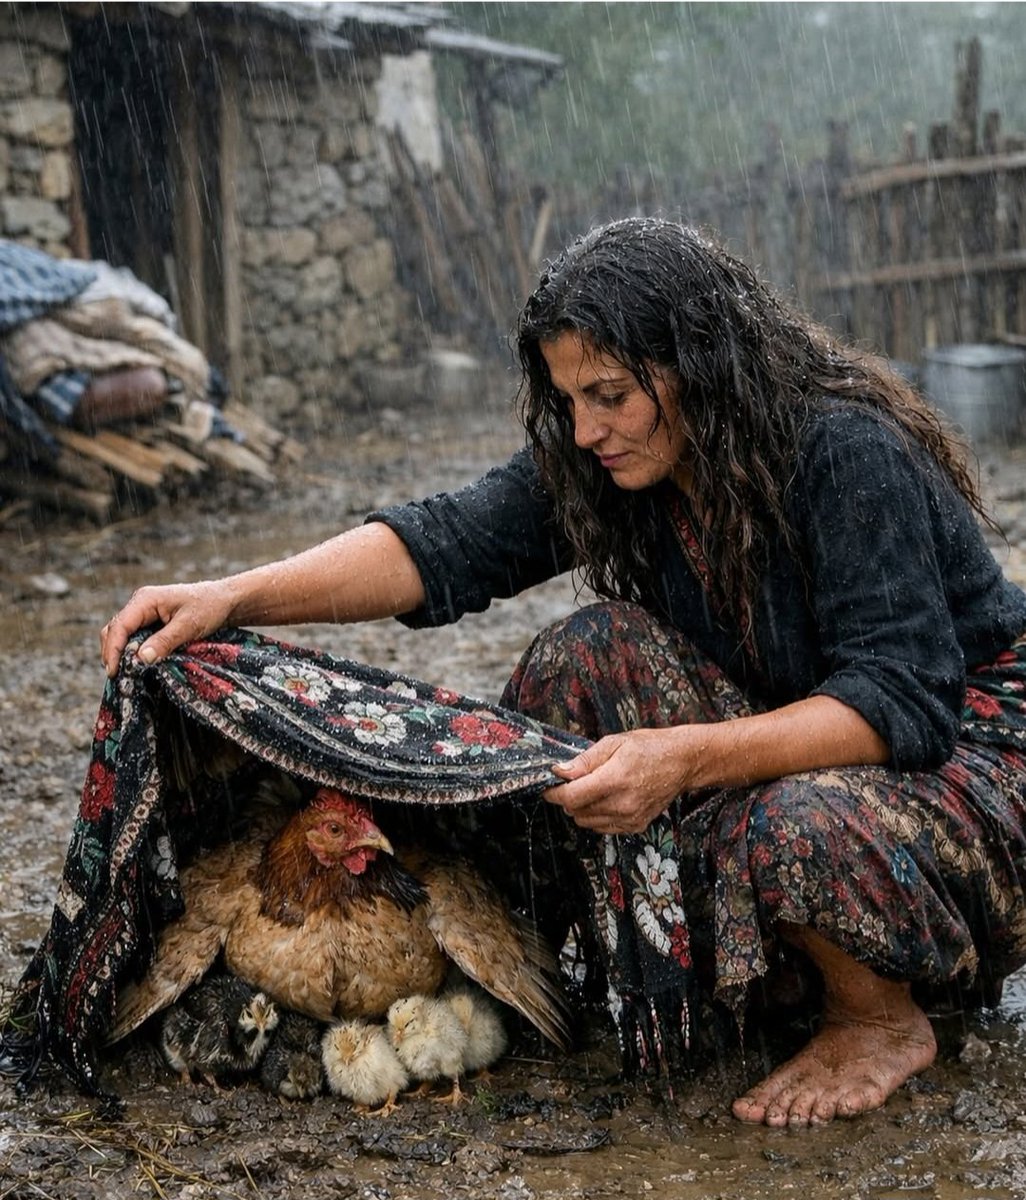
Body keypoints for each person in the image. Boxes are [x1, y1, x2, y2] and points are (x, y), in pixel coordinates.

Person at [99, 217, 1026, 1128]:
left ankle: (876, 1014)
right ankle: (570, 970)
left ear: (697, 366)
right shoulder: (618, 463)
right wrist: (230, 597)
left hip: (968, 765)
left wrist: (683, 757)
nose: (586, 430)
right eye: (570, 399)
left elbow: (900, 702)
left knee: (787, 823)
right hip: (823, 737)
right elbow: (445, 543)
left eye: (611, 394)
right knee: (583, 656)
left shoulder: (844, 453)